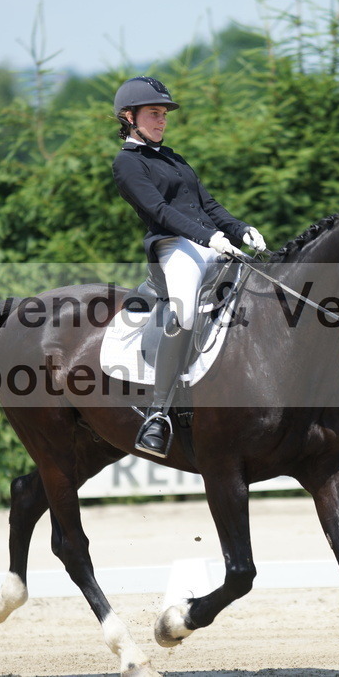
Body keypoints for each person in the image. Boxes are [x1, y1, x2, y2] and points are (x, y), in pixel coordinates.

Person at [111, 76, 267, 457]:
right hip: (174, 247)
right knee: (183, 312)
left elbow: (210, 206)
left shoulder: (174, 158)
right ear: (129, 117)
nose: (162, 120)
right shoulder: (127, 164)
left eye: (163, 114)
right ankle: (158, 414)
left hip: (209, 240)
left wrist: (240, 228)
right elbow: (159, 211)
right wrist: (207, 237)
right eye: (154, 113)